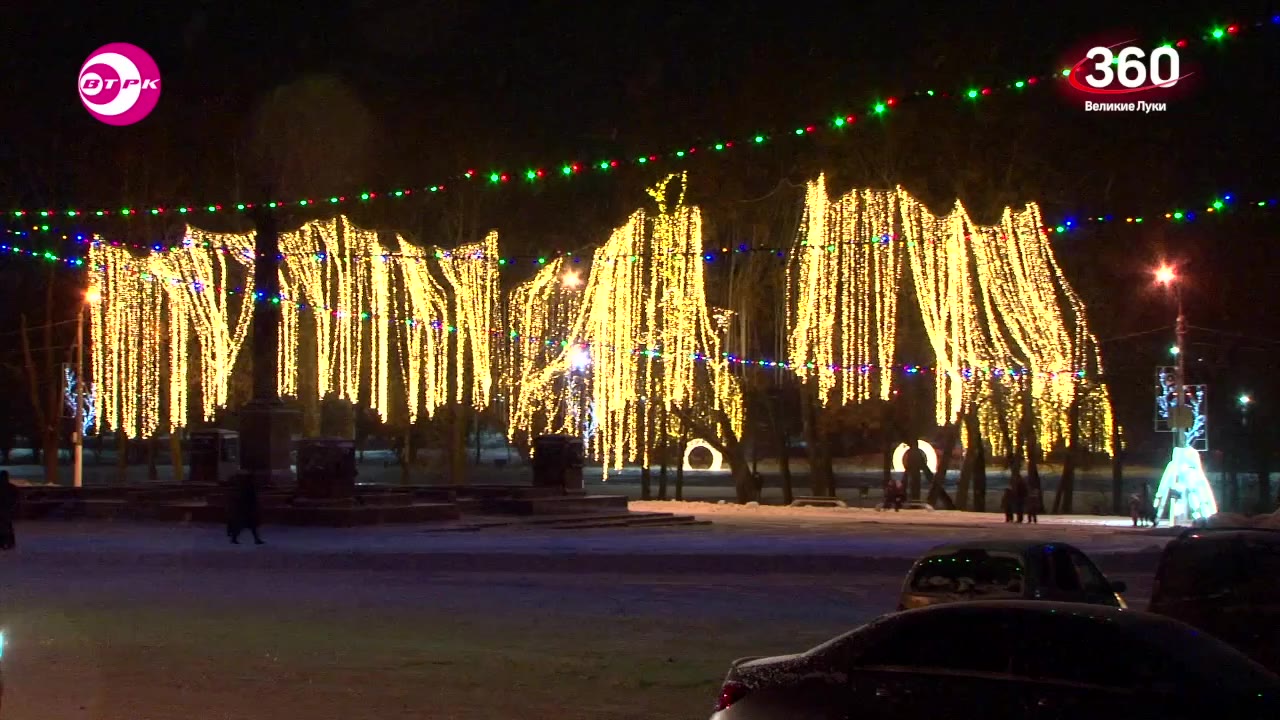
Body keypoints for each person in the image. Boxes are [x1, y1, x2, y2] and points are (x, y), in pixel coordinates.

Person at [226, 476, 264, 545]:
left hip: (245, 511)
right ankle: (256, 539)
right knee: (250, 526)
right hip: (247, 511)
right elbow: (251, 500)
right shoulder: (249, 489)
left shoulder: (244, 489)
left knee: (243, 526)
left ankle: (234, 538)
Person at [0, 471, 17, 550]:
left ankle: (2, 543)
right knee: (8, 526)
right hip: (8, 509)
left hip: (2, 509)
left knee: (2, 526)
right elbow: (15, 498)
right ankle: (10, 543)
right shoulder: (12, 487)